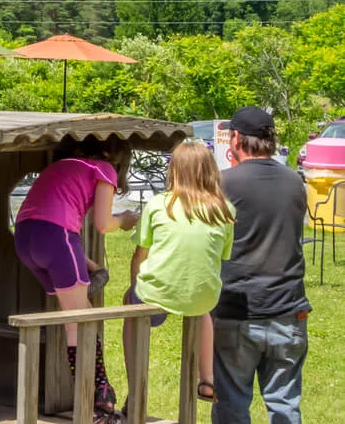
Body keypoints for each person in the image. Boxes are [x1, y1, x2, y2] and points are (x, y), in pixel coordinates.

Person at [13, 139, 137, 420]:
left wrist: (88, 265)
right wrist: (126, 219)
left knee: (78, 313)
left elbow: (50, 219)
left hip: (25, 238)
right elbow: (104, 224)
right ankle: (97, 396)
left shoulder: (63, 166)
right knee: (79, 322)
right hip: (57, 238)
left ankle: (97, 393)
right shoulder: (104, 168)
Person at [211, 107, 310, 424]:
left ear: (236, 138)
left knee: (232, 405)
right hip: (289, 311)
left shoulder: (222, 183)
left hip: (237, 310)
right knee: (285, 405)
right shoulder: (296, 182)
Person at [121, 140, 235, 408]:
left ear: (173, 170)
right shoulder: (225, 210)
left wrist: (133, 286)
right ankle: (206, 378)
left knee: (131, 309)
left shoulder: (159, 204)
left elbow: (140, 255)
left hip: (156, 293)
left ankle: (135, 386)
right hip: (203, 295)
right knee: (203, 311)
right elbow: (220, 257)